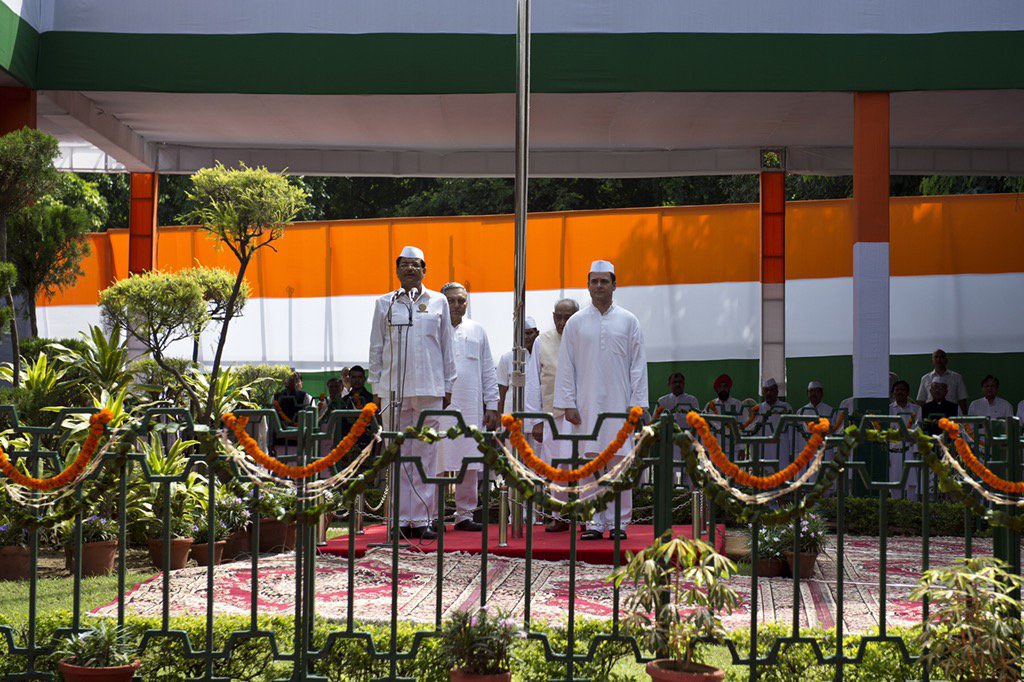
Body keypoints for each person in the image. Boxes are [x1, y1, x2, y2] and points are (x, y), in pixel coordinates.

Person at [554, 260, 648, 541]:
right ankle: (593, 522)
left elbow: (638, 366)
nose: (599, 286)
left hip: (620, 406)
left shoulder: (629, 321)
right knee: (590, 464)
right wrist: (568, 403)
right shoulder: (576, 322)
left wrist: (636, 405)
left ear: (614, 285)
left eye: (604, 281)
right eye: (594, 281)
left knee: (619, 464)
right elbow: (566, 366)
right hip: (587, 406)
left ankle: (619, 522)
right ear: (587, 285)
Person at [368, 245, 456, 541]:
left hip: (430, 388)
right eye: (404, 264)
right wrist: (376, 387)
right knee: (397, 453)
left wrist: (448, 386)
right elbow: (376, 347)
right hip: (394, 389)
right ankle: (400, 519)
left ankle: (421, 519)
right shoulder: (385, 302)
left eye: (415, 264)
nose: (409, 269)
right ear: (397, 270)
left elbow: (447, 346)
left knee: (426, 454)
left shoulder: (439, 301)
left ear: (424, 270)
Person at [437, 282, 500, 532]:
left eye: (461, 300)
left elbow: (488, 369)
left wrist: (492, 404)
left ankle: (465, 515)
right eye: (451, 300)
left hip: (470, 406)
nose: (456, 305)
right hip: (440, 405)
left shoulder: (477, 330)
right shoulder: (433, 327)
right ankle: (432, 515)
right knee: (436, 460)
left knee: (470, 461)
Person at [525, 298, 579, 533]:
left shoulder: (584, 337)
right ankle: (559, 515)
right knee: (557, 467)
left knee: (584, 463)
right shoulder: (542, 341)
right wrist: (536, 421)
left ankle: (587, 516)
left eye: (568, 317)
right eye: (558, 317)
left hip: (581, 415)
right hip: (552, 415)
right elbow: (534, 383)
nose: (562, 322)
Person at [496, 316, 539, 413]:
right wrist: (498, 418)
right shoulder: (507, 358)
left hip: (536, 415)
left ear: (537, 333)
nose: (526, 337)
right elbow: (501, 391)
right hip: (511, 413)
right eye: (522, 334)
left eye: (529, 333)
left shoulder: (542, 357)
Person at [752, 378, 794, 468]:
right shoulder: (758, 409)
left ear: (777, 392)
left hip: (782, 450)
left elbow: (791, 432)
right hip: (763, 451)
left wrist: (792, 452)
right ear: (763, 393)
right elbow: (753, 432)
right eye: (766, 390)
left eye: (771, 390)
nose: (769, 393)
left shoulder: (785, 407)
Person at [916, 349, 968, 414]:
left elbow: (962, 400)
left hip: (951, 412)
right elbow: (921, 401)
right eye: (936, 357)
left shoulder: (957, 377)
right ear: (932, 361)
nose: (939, 359)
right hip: (930, 414)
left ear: (946, 360)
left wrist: (964, 417)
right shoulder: (925, 378)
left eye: (942, 357)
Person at [339, 365, 375, 453]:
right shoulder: (344, 401)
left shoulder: (372, 400)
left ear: (364, 379)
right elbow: (340, 428)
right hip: (348, 448)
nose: (357, 380)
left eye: (360, 377)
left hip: (368, 448)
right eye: (354, 377)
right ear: (349, 379)